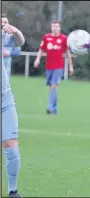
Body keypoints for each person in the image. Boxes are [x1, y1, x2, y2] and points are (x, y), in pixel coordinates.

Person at [2, 20, 25, 197]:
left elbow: (20, 42)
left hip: (5, 98)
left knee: (11, 147)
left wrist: (15, 30)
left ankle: (12, 191)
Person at [34, 20, 74, 115]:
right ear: (51, 28)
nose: (55, 28)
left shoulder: (64, 38)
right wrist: (37, 59)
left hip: (58, 67)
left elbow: (68, 53)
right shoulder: (46, 38)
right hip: (49, 67)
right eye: (54, 26)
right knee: (52, 87)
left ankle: (50, 107)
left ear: (59, 28)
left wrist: (70, 66)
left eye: (57, 27)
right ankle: (55, 110)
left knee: (54, 86)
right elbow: (41, 49)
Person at [2, 14, 21, 78]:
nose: (3, 24)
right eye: (1, 22)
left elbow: (17, 51)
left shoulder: (11, 36)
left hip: (6, 65)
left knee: (5, 85)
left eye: (5, 22)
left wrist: (9, 53)